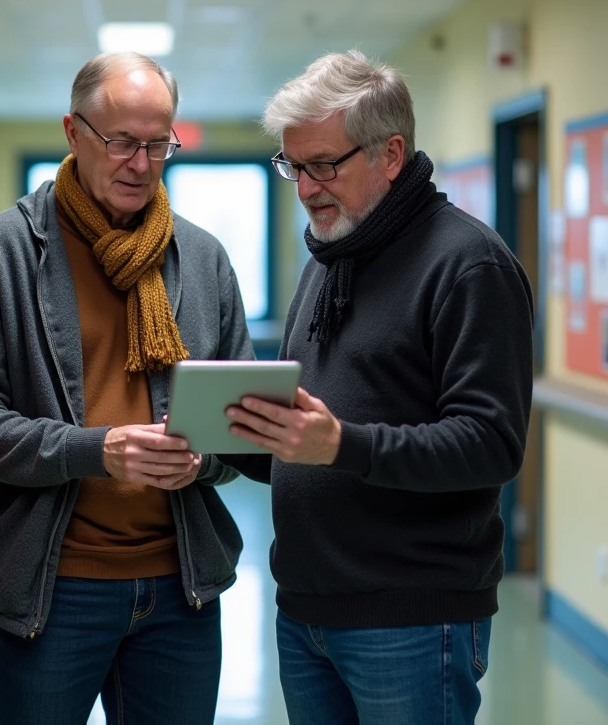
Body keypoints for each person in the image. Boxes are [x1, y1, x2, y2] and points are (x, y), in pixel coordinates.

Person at [0, 52, 254, 725]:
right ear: (72, 132)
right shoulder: (1, 253)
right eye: (121, 143)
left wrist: (205, 458)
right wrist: (97, 450)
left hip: (182, 589)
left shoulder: (201, 260)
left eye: (157, 144)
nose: (140, 164)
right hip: (54, 591)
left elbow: (240, 423)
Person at [225, 50, 534, 724]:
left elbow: (490, 444)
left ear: (390, 154)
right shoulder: (333, 256)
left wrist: (343, 445)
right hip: (306, 612)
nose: (305, 188)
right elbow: (309, 441)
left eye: (323, 165)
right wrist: (222, 441)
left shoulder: (467, 265)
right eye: (292, 166)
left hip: (411, 620)